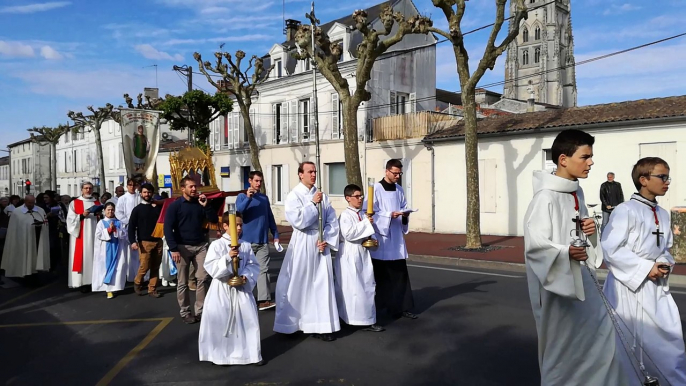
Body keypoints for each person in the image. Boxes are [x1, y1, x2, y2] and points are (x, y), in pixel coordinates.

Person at [523, 129, 628, 385]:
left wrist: (590, 231)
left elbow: (581, 234)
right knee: (563, 349)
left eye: (591, 156)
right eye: (585, 156)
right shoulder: (544, 198)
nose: (591, 162)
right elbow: (535, 246)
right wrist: (565, 252)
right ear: (563, 159)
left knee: (602, 334)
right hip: (557, 287)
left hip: (583, 279)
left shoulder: (576, 192)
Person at [601, 157, 686, 384]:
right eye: (662, 176)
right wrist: (647, 268)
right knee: (628, 349)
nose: (667, 181)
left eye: (668, 177)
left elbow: (665, 248)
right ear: (644, 179)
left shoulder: (663, 214)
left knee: (669, 344)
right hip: (628, 289)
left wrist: (663, 264)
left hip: (655, 288)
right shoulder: (625, 210)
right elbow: (611, 249)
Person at [273, 162, 340, 341]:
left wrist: (325, 237)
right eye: (310, 171)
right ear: (300, 174)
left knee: (321, 284)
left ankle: (321, 325)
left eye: (315, 171)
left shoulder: (322, 196)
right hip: (302, 241)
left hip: (320, 242)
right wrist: (312, 204)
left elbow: (332, 220)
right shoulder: (294, 195)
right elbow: (298, 221)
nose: (313, 174)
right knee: (298, 282)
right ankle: (292, 324)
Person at [199, 212, 263, 366]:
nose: (239, 228)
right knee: (221, 321)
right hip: (222, 289)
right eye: (236, 225)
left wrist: (246, 275)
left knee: (247, 320)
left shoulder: (246, 245)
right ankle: (221, 356)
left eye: (241, 225)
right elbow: (211, 267)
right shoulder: (217, 245)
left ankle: (251, 355)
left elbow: (253, 265)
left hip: (241, 289)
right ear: (225, 226)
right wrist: (227, 257)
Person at [164, 176, 218, 324]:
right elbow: (168, 228)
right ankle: (185, 311)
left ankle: (200, 310)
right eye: (191, 187)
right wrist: (173, 248)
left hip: (200, 245)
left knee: (203, 277)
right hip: (182, 247)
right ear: (183, 189)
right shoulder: (175, 206)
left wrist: (206, 205)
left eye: (195, 186)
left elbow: (213, 219)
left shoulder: (200, 203)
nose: (194, 189)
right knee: (183, 281)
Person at [369, 159, 417, 320]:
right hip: (382, 239)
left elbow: (403, 206)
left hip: (396, 238)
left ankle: (402, 307)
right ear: (386, 171)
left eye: (399, 173)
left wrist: (405, 215)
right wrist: (388, 215)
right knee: (382, 276)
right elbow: (369, 213)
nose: (397, 176)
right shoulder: (375, 189)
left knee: (400, 274)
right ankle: (381, 307)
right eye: (395, 173)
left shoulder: (399, 189)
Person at [334, 184, 384, 332]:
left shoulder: (362, 214)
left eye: (361, 196)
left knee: (367, 285)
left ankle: (366, 318)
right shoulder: (345, 216)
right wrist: (366, 224)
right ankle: (348, 318)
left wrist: (373, 239)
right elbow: (349, 234)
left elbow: (368, 230)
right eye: (357, 196)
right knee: (351, 288)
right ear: (348, 198)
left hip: (362, 253)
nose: (360, 199)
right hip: (349, 254)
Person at [235, 171, 279, 311]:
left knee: (263, 270)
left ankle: (263, 300)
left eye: (260, 181)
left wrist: (275, 234)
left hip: (262, 241)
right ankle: (241, 300)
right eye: (256, 181)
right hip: (246, 242)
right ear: (250, 181)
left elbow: (269, 217)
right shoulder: (242, 197)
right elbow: (239, 211)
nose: (258, 183)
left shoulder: (264, 199)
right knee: (244, 271)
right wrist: (248, 198)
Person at [0, 195, 50, 279]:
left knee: (37, 255)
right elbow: (14, 228)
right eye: (29, 203)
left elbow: (45, 221)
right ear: (25, 202)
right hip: (23, 239)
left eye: (33, 203)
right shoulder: (17, 212)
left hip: (38, 236)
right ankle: (25, 273)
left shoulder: (40, 210)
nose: (31, 204)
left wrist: (42, 225)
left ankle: (37, 272)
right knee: (26, 255)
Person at [128, 183, 164, 298]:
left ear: (152, 193)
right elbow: (131, 226)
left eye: (149, 192)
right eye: (144, 192)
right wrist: (133, 241)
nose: (147, 194)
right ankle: (138, 282)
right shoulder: (137, 209)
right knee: (144, 265)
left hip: (158, 240)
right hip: (144, 242)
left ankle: (152, 289)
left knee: (155, 266)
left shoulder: (158, 208)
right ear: (141, 194)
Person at [66, 182, 102, 291]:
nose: (88, 190)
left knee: (94, 256)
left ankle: (94, 281)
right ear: (81, 190)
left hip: (94, 234)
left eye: (90, 188)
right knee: (82, 257)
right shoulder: (75, 203)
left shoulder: (96, 202)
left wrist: (100, 215)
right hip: (80, 234)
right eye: (86, 188)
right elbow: (70, 220)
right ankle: (81, 282)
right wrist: (82, 215)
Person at [92, 203, 126, 299]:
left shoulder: (119, 222)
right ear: (104, 211)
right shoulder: (101, 223)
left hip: (117, 248)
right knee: (106, 268)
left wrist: (116, 230)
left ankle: (116, 287)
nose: (110, 211)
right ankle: (108, 290)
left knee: (118, 268)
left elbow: (124, 235)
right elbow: (98, 235)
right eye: (108, 210)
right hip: (106, 249)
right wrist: (108, 230)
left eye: (112, 210)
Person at [115, 178, 142, 281]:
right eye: (130, 185)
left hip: (138, 227)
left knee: (137, 253)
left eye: (134, 185)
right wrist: (129, 222)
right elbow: (118, 212)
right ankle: (127, 275)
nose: (132, 187)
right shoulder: (122, 198)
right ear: (127, 186)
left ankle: (138, 275)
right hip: (126, 227)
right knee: (127, 252)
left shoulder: (139, 197)